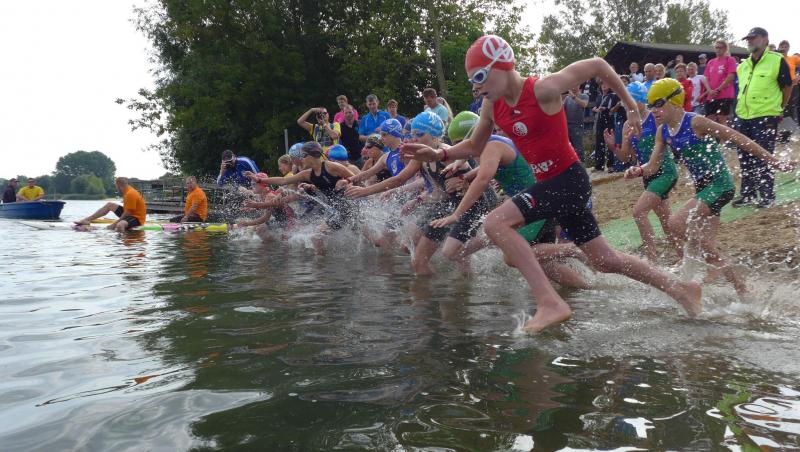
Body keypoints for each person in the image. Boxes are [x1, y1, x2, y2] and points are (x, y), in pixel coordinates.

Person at [403, 34, 704, 333]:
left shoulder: (543, 89)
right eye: (472, 80)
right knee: (604, 260)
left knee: (495, 224)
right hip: (554, 185)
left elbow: (598, 65)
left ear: (501, 65)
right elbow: (473, 145)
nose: (476, 86)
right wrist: (439, 153)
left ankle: (549, 303)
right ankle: (681, 289)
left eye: (479, 77)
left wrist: (630, 106)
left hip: (568, 179)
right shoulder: (492, 106)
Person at [627, 78, 796, 294]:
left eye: (658, 103)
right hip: (703, 189)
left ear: (675, 101)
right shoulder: (663, 132)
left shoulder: (696, 122)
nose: (653, 110)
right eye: (650, 105)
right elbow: (652, 166)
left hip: (720, 185)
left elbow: (738, 138)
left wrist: (773, 161)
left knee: (676, 224)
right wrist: (639, 170)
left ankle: (729, 275)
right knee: (707, 246)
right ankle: (741, 290)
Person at [430, 111, 589, 288]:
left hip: (535, 205)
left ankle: (574, 249)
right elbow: (487, 164)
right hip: (536, 203)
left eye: (460, 143)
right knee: (543, 264)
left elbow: (483, 180)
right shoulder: (493, 144)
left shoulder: (492, 147)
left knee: (512, 256)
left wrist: (456, 214)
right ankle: (587, 289)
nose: (460, 148)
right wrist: (463, 170)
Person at [348, 111, 492, 275]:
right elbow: (399, 179)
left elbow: (482, 170)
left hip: (470, 206)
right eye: (413, 134)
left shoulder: (447, 153)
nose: (414, 138)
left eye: (419, 134)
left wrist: (464, 178)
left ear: (435, 136)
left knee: (432, 259)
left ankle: (487, 241)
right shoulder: (420, 157)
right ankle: (453, 281)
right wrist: (418, 200)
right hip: (445, 205)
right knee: (413, 250)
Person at [603, 81, 679, 262]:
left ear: (639, 100)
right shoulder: (627, 125)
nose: (625, 105)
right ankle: (683, 256)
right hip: (647, 174)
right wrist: (613, 147)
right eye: (624, 101)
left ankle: (652, 260)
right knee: (665, 221)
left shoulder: (654, 117)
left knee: (639, 212)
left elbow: (669, 138)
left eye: (628, 100)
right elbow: (625, 157)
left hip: (665, 171)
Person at [249, 142, 356, 253]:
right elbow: (283, 180)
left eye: (303, 156)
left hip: (347, 207)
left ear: (313, 155)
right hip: (335, 209)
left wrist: (347, 181)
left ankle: (323, 262)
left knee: (316, 237)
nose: (301, 159)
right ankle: (326, 261)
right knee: (317, 237)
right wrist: (260, 180)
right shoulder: (307, 174)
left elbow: (356, 178)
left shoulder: (331, 166)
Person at [732, 27, 794, 208]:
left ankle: (767, 196)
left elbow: (787, 86)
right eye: (748, 38)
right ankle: (748, 194)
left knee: (764, 156)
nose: (750, 41)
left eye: (754, 37)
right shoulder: (743, 65)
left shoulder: (777, 60)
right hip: (743, 116)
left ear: (765, 39)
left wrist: (779, 108)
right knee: (744, 157)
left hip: (765, 116)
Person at [75, 177, 147, 232]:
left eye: (116, 186)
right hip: (131, 214)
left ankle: (122, 243)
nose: (116, 187)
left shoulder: (130, 194)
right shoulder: (128, 191)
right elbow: (127, 212)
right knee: (110, 205)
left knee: (120, 225)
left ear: (118, 185)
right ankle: (87, 220)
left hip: (137, 218)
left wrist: (114, 225)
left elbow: (128, 213)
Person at [704, 39, 738, 127]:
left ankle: (724, 136)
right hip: (711, 95)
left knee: (722, 119)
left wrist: (718, 90)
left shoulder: (730, 60)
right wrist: (709, 90)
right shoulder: (711, 62)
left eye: (720, 47)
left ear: (725, 48)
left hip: (724, 95)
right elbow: (706, 78)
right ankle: (711, 136)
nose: (718, 49)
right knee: (709, 120)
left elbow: (731, 77)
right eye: (716, 47)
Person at [564, 85, 589, 161]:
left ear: (579, 85)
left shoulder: (584, 96)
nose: (573, 87)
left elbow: (584, 104)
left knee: (578, 146)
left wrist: (574, 97)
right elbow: (562, 109)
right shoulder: (567, 98)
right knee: (568, 147)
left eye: (575, 85)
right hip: (567, 125)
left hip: (577, 125)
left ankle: (581, 163)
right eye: (572, 86)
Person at [777, 40, 800, 124]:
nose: (783, 48)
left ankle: (793, 126)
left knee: (791, 106)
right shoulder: (775, 59)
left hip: (792, 86)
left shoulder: (793, 58)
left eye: (786, 46)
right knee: (779, 106)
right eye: (782, 46)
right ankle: (781, 125)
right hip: (778, 86)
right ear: (778, 48)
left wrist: (798, 76)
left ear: (789, 48)